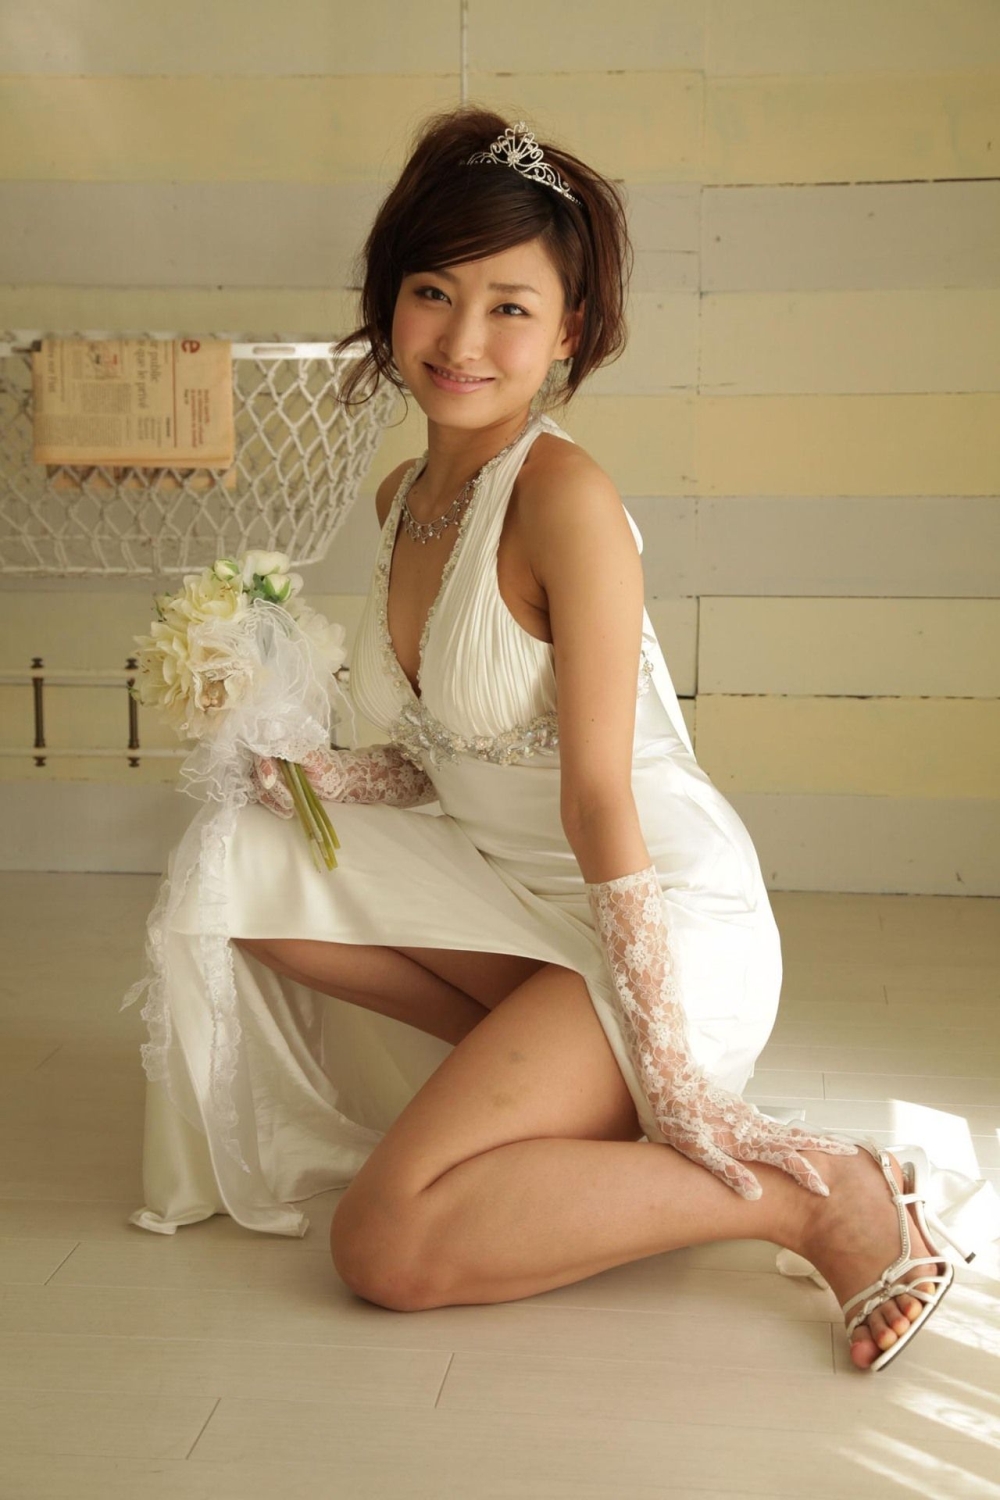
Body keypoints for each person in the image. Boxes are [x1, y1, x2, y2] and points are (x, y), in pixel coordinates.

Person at [126, 107, 990, 1374]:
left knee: (386, 1246)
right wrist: (312, 773)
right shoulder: (405, 497)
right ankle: (566, 1103)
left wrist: (673, 1077)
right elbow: (445, 751)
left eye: (510, 307)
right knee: (243, 865)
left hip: (657, 911)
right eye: (433, 293)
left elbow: (594, 798)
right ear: (390, 299)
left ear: (570, 330)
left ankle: (819, 1195)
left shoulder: (564, 497)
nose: (461, 340)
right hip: (519, 898)